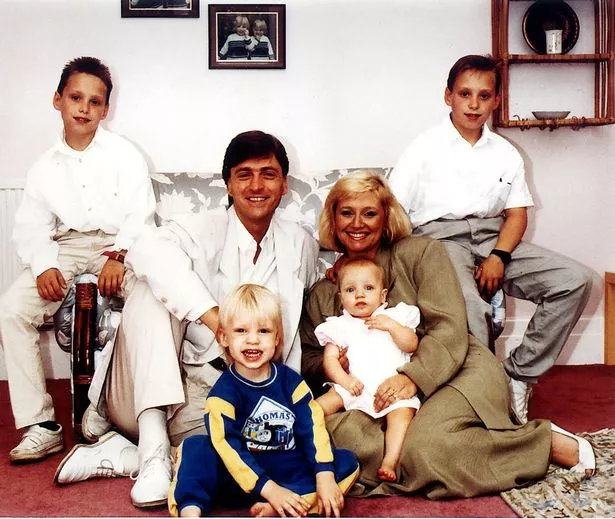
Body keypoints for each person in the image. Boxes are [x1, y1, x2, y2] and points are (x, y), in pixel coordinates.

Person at [54, 130, 320, 508]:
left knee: (250, 445)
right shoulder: (196, 228)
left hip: (231, 401)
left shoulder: (300, 243)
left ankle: (126, 455)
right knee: (150, 289)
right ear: (228, 184)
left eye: (268, 174)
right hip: (152, 391)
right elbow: (145, 252)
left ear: (284, 185)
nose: (256, 185)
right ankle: (152, 453)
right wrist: (214, 318)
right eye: (244, 175)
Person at [300, 170, 595, 499]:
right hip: (370, 394)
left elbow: (449, 326)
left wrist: (413, 377)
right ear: (333, 219)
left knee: (426, 449)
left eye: (369, 213)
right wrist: (333, 365)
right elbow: (308, 357)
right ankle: (426, 455)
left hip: (453, 365)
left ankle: (541, 444)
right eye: (346, 213)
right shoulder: (324, 292)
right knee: (332, 438)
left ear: (385, 218)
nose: (357, 223)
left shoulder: (422, 252)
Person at [387, 54, 592, 424]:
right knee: (470, 306)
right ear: (448, 96)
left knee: (573, 280)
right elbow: (393, 212)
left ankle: (518, 375)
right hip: (438, 240)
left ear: (496, 100)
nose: (474, 104)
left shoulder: (505, 152)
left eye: (484, 96)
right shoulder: (423, 147)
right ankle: (481, 399)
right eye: (465, 94)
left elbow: (516, 214)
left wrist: (499, 256)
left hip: (492, 237)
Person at [0, 56, 155, 464]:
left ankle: (113, 408)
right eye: (75, 98)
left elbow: (141, 214)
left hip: (119, 244)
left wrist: (120, 254)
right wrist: (43, 265)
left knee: (152, 302)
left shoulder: (124, 154)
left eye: (94, 101)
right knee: (12, 309)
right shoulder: (43, 168)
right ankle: (40, 424)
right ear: (58, 100)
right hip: (66, 245)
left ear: (106, 109)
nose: (84, 108)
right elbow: (31, 227)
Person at [169, 284, 359, 518]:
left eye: (264, 331)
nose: (253, 340)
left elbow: (312, 427)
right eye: (241, 331)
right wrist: (269, 490)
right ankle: (191, 510)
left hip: (286, 473)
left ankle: (286, 504)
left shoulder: (291, 382)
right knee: (195, 446)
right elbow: (227, 446)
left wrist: (324, 475)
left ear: (277, 338)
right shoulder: (222, 394)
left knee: (345, 462)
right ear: (223, 337)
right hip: (238, 476)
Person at [315, 257, 420, 482]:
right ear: (341, 298)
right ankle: (294, 428)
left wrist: (392, 327)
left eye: (369, 288)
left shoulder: (396, 316)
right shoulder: (339, 326)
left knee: (402, 414)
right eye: (350, 290)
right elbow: (330, 361)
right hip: (355, 384)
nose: (360, 295)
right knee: (321, 404)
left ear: (383, 295)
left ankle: (390, 460)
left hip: (390, 386)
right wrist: (345, 381)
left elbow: (411, 344)